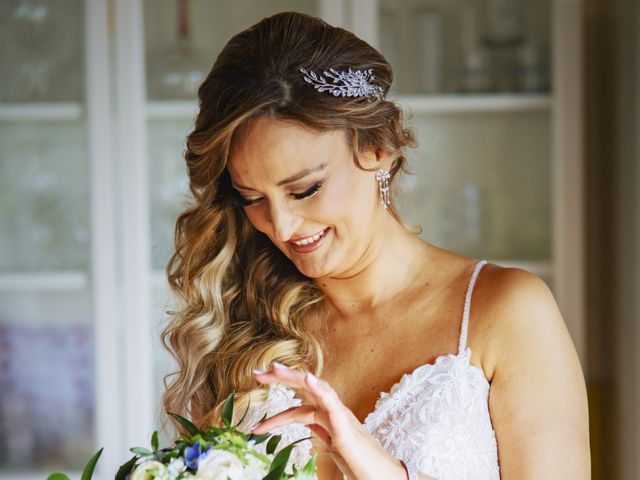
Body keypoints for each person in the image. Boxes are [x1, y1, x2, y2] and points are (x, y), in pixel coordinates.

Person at [160, 11, 590, 480]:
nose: (281, 226)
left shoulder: (506, 311)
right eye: (252, 198)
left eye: (305, 190)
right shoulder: (238, 327)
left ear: (378, 149)